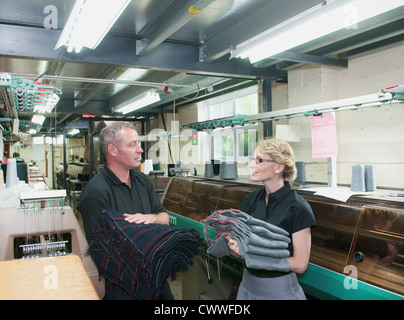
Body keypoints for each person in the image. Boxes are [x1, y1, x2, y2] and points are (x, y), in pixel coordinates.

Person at [78, 121, 173, 300]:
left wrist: (151, 219)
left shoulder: (142, 182)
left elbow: (164, 218)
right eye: (132, 144)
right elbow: (102, 254)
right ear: (113, 150)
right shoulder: (95, 194)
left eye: (138, 143)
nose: (140, 150)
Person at [226, 138, 315, 300]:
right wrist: (236, 248)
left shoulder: (298, 208)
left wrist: (256, 258)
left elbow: (301, 264)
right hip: (247, 287)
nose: (252, 165)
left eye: (259, 160)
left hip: (279, 292)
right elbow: (238, 248)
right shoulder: (249, 201)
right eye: (253, 159)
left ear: (279, 167)